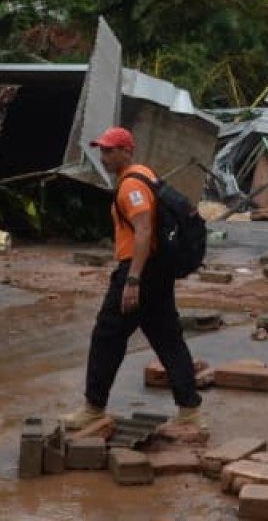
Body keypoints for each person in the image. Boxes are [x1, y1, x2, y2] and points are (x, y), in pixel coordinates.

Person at [62, 126, 202, 430]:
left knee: (107, 336)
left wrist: (133, 281)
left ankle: (93, 407)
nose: (105, 156)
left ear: (127, 150)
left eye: (111, 150)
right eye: (103, 150)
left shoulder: (130, 186)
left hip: (139, 270)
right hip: (157, 269)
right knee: (167, 337)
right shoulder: (145, 174)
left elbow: (144, 230)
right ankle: (190, 411)